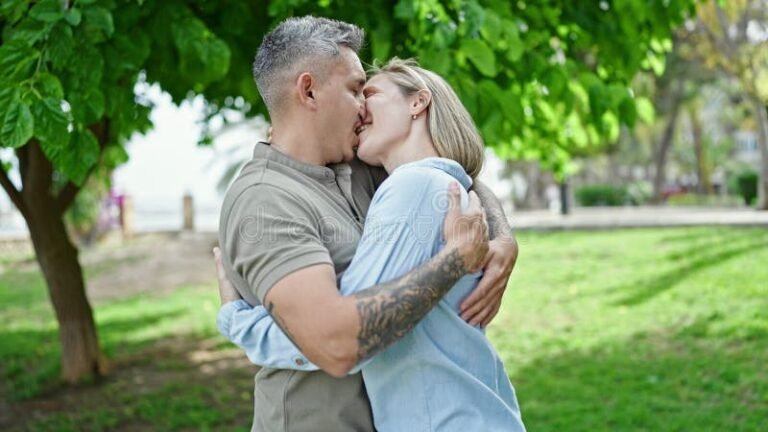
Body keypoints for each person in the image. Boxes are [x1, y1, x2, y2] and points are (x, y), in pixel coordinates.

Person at [217, 16, 518, 432]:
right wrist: (454, 261)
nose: (363, 107)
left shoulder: (363, 170)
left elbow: (450, 173)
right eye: (356, 89)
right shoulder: (266, 201)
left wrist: (503, 236)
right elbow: (335, 344)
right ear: (308, 91)